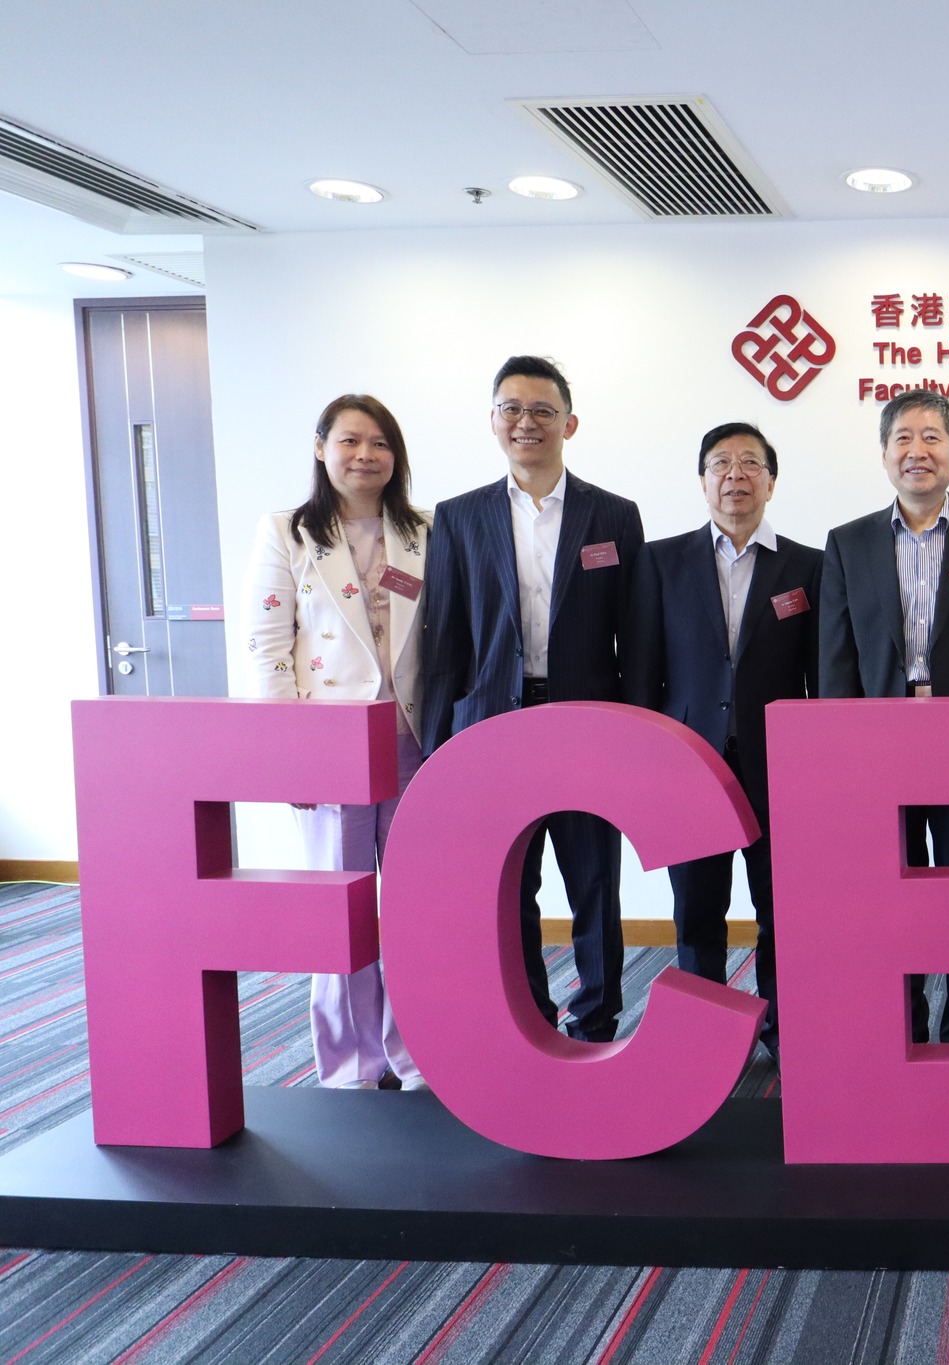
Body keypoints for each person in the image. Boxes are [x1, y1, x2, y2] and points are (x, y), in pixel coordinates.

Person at [418, 355, 644, 1043]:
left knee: (594, 882)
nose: (527, 422)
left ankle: (597, 1018)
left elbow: (634, 636)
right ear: (493, 421)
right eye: (511, 409)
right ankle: (529, 1020)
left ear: (569, 423)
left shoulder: (614, 514)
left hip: (587, 726)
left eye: (543, 410)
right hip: (491, 727)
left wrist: (639, 738)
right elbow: (444, 639)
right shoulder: (459, 518)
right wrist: (438, 748)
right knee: (510, 885)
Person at [818, 388, 949, 1045]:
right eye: (903, 438)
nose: (918, 451)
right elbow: (837, 663)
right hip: (879, 748)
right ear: (884, 454)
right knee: (889, 898)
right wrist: (841, 765)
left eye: (933, 437)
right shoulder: (848, 542)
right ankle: (901, 1028)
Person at [244, 394, 431, 1089]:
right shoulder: (288, 532)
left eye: (380, 442)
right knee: (341, 911)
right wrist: (290, 757)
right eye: (350, 440)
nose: (365, 455)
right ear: (321, 447)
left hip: (414, 740)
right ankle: (353, 1063)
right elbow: (267, 648)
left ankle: (417, 1054)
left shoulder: (425, 530)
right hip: (332, 747)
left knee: (414, 910)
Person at [624, 422, 820, 1063]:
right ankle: (706, 1040)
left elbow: (821, 677)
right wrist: (648, 765)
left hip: (779, 767)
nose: (735, 475)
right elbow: (643, 672)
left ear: (771, 481)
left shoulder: (809, 566)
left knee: (782, 910)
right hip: (690, 765)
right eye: (721, 464)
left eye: (750, 463)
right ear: (703, 479)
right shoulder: (661, 561)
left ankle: (786, 1030)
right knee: (697, 910)